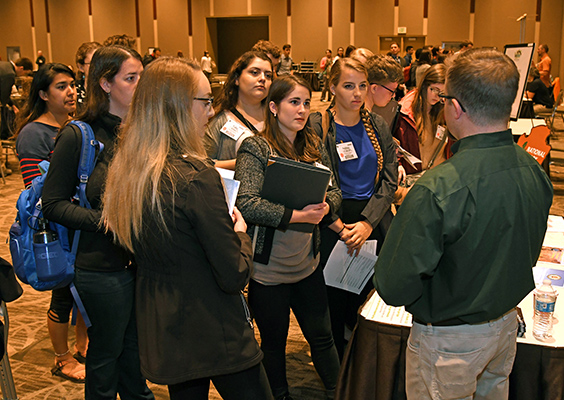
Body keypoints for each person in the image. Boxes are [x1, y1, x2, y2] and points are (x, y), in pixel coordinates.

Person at [373, 48, 553, 400]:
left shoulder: (438, 187)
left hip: (450, 340)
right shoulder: (534, 169)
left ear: (454, 107)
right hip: (504, 328)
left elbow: (393, 286)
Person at [102, 57, 273, 400]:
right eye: (205, 101)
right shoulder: (195, 178)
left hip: (165, 325)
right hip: (214, 328)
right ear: (178, 106)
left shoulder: (129, 170)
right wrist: (239, 234)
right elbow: (233, 273)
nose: (210, 112)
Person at [41, 45, 154, 400]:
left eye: (141, 77)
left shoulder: (138, 132)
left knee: (134, 354)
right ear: (105, 83)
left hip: (139, 262)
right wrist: (109, 222)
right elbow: (53, 204)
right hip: (98, 267)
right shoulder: (79, 135)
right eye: (131, 78)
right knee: (106, 359)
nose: (139, 85)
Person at [235, 74, 342, 400]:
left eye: (306, 103)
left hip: (307, 265)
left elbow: (336, 192)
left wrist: (324, 209)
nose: (302, 110)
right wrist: (298, 216)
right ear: (273, 106)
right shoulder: (256, 147)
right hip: (268, 274)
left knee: (322, 338)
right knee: (274, 345)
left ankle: (338, 390)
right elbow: (246, 203)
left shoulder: (311, 142)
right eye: (294, 102)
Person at [307, 57, 398, 360]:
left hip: (373, 217)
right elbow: (316, 177)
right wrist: (339, 225)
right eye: (348, 86)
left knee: (369, 294)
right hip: (333, 220)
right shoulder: (319, 125)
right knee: (334, 296)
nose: (357, 94)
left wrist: (368, 223)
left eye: (362, 86)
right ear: (332, 87)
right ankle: (337, 365)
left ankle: (366, 360)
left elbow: (388, 181)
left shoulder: (377, 124)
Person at [14, 63, 88, 384]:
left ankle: (83, 345)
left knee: (83, 288)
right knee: (62, 293)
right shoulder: (34, 133)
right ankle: (61, 358)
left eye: (72, 84)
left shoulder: (76, 125)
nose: (71, 91)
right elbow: (36, 187)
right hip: (52, 227)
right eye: (61, 86)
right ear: (44, 94)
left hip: (78, 222)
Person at [203, 51, 273, 170]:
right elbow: (203, 164)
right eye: (254, 72)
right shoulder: (220, 120)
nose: (262, 78)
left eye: (268, 75)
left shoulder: (277, 116)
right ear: (236, 79)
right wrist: (244, 162)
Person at [392, 64, 451, 202]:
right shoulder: (406, 111)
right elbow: (395, 141)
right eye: (434, 90)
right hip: (414, 180)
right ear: (424, 85)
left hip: (437, 178)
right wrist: (398, 164)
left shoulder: (443, 108)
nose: (438, 96)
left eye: (442, 92)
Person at [1, 58, 33, 141]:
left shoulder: (4, 65)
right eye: (25, 73)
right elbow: (4, 95)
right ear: (21, 68)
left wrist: (12, 105)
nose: (23, 76)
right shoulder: (10, 74)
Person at [74, 42, 102, 115]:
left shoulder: (111, 89)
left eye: (100, 62)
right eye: (93, 63)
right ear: (81, 67)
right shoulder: (74, 93)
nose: (98, 67)